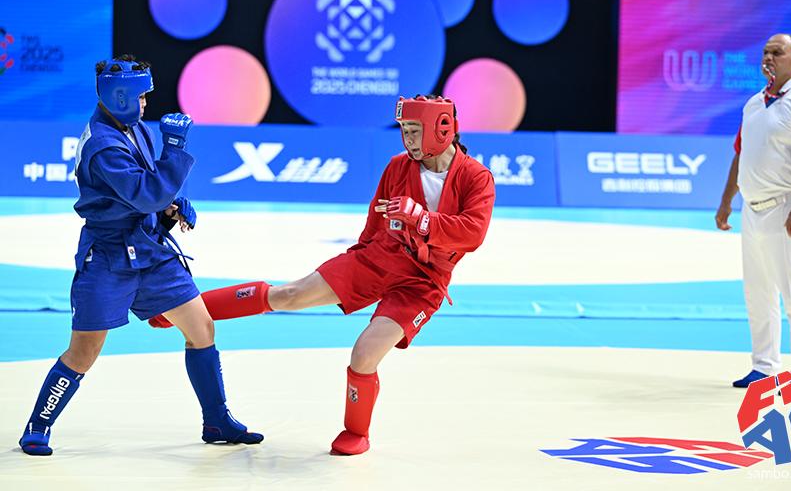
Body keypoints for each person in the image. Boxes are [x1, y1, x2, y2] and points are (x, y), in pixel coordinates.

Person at [149, 94, 496, 455]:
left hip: (423, 282)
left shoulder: (476, 177)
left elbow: (473, 233)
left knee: (364, 354)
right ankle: (180, 310)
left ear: (441, 129)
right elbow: (374, 221)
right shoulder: (398, 166)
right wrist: (357, 259)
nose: (407, 139)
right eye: (404, 130)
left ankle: (356, 432)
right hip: (379, 257)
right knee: (289, 294)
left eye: (414, 130)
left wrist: (421, 218)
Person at [18, 55, 263, 456]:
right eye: (141, 96)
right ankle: (38, 425)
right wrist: (175, 151)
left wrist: (170, 207)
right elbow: (147, 193)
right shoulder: (103, 146)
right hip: (108, 258)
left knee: (201, 328)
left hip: (149, 249)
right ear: (120, 96)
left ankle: (217, 419)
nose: (146, 103)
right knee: (83, 352)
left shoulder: (132, 128)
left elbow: (148, 191)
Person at [715, 34, 791, 388]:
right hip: (752, 210)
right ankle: (764, 366)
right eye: (765, 52)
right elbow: (741, 153)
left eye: (777, 52)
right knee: (758, 292)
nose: (768, 57)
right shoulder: (754, 104)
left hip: (787, 209)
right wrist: (727, 201)